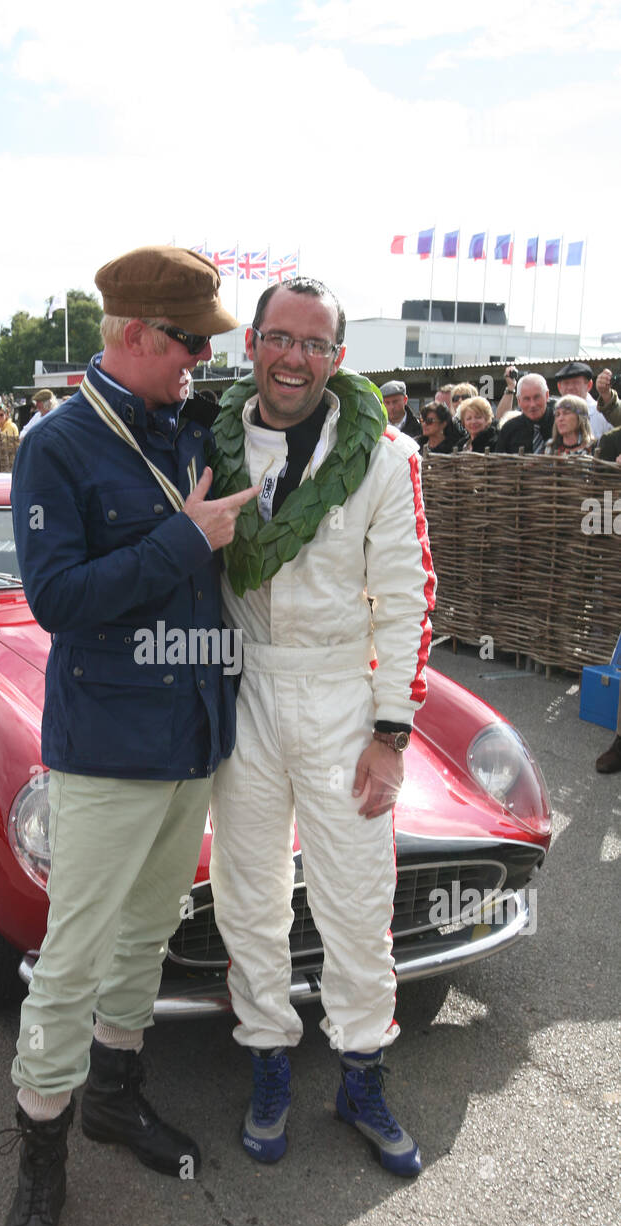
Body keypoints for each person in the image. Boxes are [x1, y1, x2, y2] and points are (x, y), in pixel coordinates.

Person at [0, 244, 257, 1226]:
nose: (204, 359)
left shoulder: (186, 422)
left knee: (147, 936)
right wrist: (183, 542)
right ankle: (40, 1159)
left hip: (191, 730)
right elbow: (57, 599)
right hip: (107, 744)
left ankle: (112, 1090)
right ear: (134, 337)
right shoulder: (55, 445)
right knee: (72, 957)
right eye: (192, 342)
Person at [207, 277, 435, 1177]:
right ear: (252, 344)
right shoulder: (210, 444)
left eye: (314, 343)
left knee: (357, 900)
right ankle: (268, 1057)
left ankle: (360, 1071)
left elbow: (410, 599)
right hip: (246, 692)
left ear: (338, 358)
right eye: (279, 338)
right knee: (249, 894)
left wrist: (392, 733)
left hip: (346, 697)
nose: (294, 357)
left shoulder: (389, 455)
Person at [554, 362, 621, 444]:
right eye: (566, 383)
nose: (570, 388)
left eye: (576, 382)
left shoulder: (602, 414)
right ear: (559, 387)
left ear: (589, 385)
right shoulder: (555, 415)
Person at [493, 374, 553, 453]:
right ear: (519, 401)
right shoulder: (509, 429)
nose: (532, 404)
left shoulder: (560, 424)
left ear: (547, 395)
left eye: (537, 397)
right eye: (526, 399)